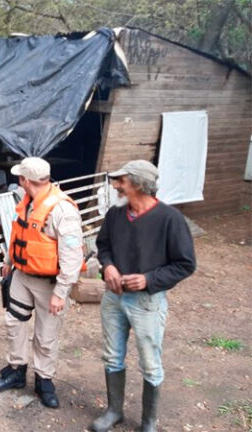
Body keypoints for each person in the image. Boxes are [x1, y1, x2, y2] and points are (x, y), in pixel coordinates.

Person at [90, 160, 196, 432]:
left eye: (121, 181)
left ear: (137, 184)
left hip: (148, 302)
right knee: (112, 356)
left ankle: (149, 422)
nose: (115, 185)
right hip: (114, 297)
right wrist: (109, 265)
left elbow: (185, 264)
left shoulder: (170, 219)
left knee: (150, 364)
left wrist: (148, 279)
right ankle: (114, 412)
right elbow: (103, 246)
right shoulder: (116, 214)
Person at [0, 157, 83, 409]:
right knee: (14, 323)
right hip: (22, 276)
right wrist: (9, 260)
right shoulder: (26, 200)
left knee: (46, 335)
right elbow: (21, 233)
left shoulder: (62, 210)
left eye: (20, 177)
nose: (17, 180)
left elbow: (73, 257)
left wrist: (61, 292)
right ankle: (16, 370)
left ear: (26, 180)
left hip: (49, 285)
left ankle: (44, 380)